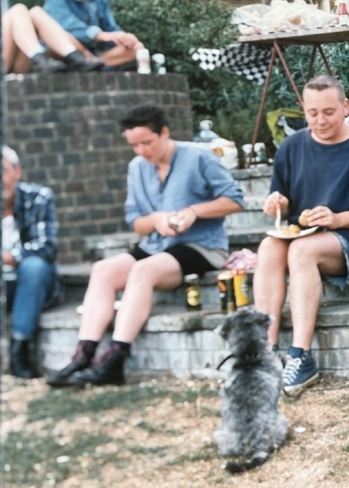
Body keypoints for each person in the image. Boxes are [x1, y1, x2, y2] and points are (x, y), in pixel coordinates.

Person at [45, 104, 244, 387]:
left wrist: (193, 212)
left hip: (202, 247)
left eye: (147, 143)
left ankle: (115, 359)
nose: (141, 150)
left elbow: (235, 200)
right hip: (157, 245)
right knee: (103, 270)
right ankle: (83, 355)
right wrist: (156, 220)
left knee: (143, 270)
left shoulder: (199, 156)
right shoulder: (136, 167)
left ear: (164, 132)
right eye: (134, 145)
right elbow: (136, 222)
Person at [253, 75, 349, 397]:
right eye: (312, 113)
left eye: (329, 112)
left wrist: (338, 218)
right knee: (268, 247)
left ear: (345, 107)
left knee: (301, 251)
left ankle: (301, 355)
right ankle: (266, 351)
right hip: (303, 234)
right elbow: (282, 200)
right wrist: (277, 204)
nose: (320, 120)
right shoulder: (291, 146)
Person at [3, 146, 61, 379]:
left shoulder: (39, 197)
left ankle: (20, 349)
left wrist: (10, 257)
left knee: (34, 266)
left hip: (30, 280)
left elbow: (46, 247)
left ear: (17, 171)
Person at [2, 1, 103, 74]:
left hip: (14, 62)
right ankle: (39, 58)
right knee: (18, 10)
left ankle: (73, 57)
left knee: (36, 12)